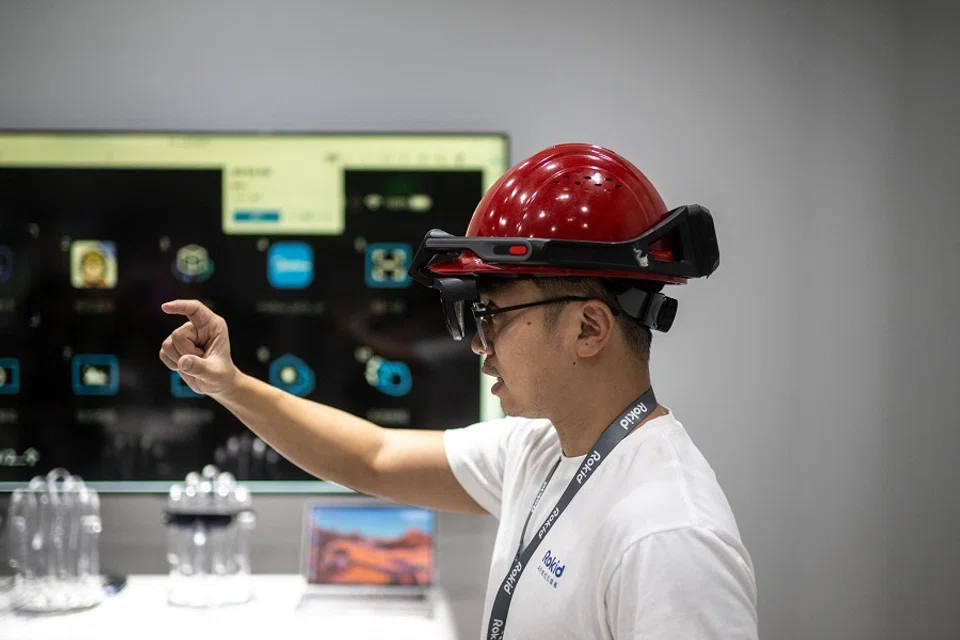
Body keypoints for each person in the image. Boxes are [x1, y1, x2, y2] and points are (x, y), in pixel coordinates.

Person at [159, 143, 758, 639]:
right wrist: (229, 386)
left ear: (589, 327)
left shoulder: (670, 539)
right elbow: (373, 457)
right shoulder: (542, 451)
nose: (477, 342)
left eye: (492, 315)